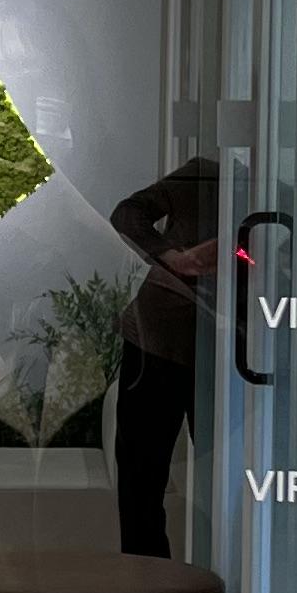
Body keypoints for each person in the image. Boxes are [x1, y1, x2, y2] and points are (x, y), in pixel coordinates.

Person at [106, 154, 217, 557]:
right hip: (158, 340)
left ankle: (209, 579)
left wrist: (243, 255)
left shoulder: (275, 187)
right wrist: (175, 257)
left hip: (227, 348)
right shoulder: (205, 174)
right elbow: (127, 214)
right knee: (142, 477)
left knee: (225, 476)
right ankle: (147, 583)